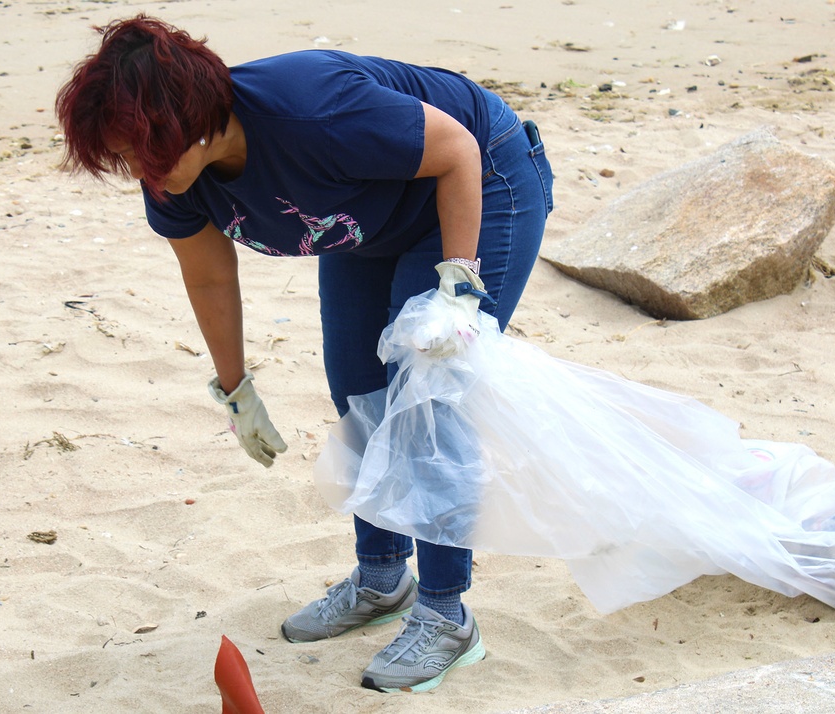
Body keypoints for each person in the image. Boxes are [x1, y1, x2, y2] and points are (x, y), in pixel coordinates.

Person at [56, 14, 553, 693]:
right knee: (357, 390)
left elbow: (458, 151)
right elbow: (208, 273)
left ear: (193, 122)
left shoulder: (312, 112)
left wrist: (458, 288)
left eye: (146, 152)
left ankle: (446, 614)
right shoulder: (173, 177)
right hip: (370, 220)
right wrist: (236, 390)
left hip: (482, 178)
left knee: (426, 399)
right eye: (125, 157)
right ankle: (382, 580)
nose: (141, 171)